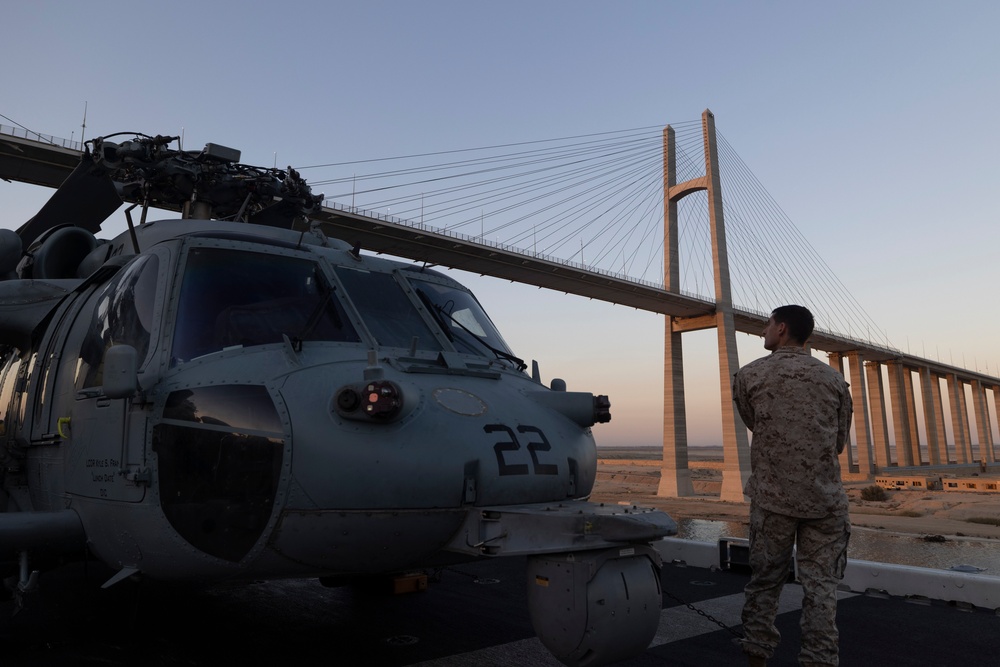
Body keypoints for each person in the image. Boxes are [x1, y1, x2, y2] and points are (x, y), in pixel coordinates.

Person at [732, 305, 853, 667]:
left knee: (765, 584)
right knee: (822, 591)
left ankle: (757, 658)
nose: (762, 332)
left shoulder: (749, 376)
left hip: (772, 502)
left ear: (782, 329)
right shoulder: (834, 380)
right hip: (825, 502)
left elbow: (753, 423)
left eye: (767, 325)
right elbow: (838, 442)